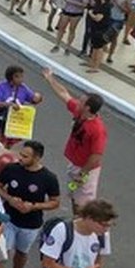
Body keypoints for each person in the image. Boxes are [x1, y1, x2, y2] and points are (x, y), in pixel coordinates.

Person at [0, 140, 61, 268]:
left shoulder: (48, 178)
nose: (20, 158)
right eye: (21, 154)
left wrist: (33, 206)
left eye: (25, 156)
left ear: (37, 158)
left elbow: (55, 202)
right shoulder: (11, 169)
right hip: (8, 218)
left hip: (31, 224)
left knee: (21, 252)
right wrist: (9, 199)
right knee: (3, 252)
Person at [40, 69, 107, 212]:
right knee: (74, 197)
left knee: (83, 204)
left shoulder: (97, 129)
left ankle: (80, 226)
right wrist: (50, 78)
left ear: (88, 107)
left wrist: (82, 173)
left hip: (85, 170)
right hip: (75, 165)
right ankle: (76, 219)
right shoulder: (79, 112)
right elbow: (64, 94)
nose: (78, 101)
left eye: (81, 101)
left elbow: (96, 156)